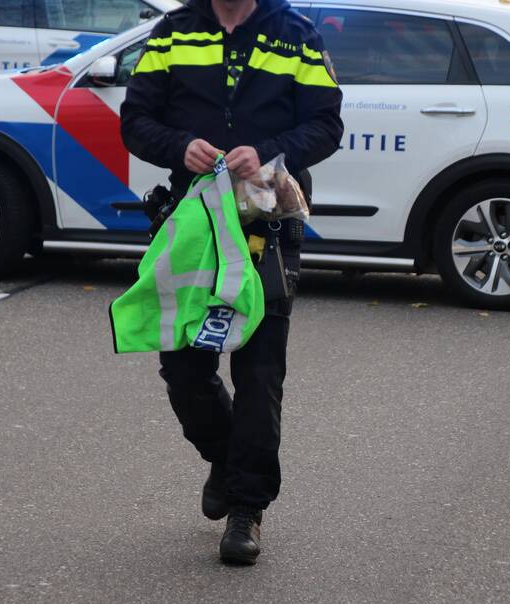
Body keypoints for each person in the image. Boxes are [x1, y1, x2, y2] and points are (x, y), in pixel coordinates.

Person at [120, 0, 343, 564]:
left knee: (259, 369)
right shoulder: (174, 31)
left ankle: (247, 509)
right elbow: (135, 122)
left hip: (267, 222)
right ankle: (225, 457)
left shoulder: (296, 34)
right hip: (192, 225)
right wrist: (178, 147)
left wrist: (268, 152)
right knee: (183, 366)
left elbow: (326, 124)